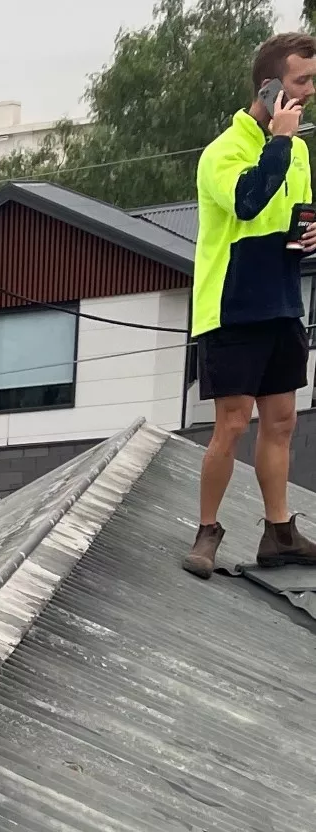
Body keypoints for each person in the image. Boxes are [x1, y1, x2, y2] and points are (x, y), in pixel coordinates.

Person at [185, 31, 316, 576]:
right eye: (300, 82)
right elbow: (246, 202)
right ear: (268, 88)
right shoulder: (224, 152)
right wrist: (279, 142)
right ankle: (207, 531)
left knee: (281, 420)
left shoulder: (302, 149)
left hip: (282, 299)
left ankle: (279, 532)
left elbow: (296, 212)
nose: (308, 93)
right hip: (233, 304)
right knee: (232, 423)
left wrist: (312, 234)